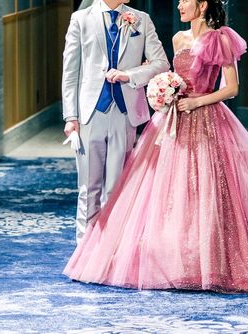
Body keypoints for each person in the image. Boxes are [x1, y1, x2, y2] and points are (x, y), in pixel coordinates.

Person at [63, 0, 248, 293]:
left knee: (207, 187)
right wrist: (165, 92)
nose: (179, 5)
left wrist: (197, 101)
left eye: (185, 0)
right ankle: (159, 257)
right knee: (167, 192)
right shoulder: (178, 38)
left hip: (207, 117)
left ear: (202, 4)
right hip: (173, 119)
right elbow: (170, 74)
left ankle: (209, 258)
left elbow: (232, 88)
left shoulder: (221, 38)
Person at [61, 0, 170, 242]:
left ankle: (111, 248)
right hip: (89, 113)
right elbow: (70, 71)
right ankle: (84, 248)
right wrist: (71, 116)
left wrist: (129, 75)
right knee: (88, 187)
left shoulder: (141, 19)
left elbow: (162, 63)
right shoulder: (81, 19)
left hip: (124, 113)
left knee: (117, 187)